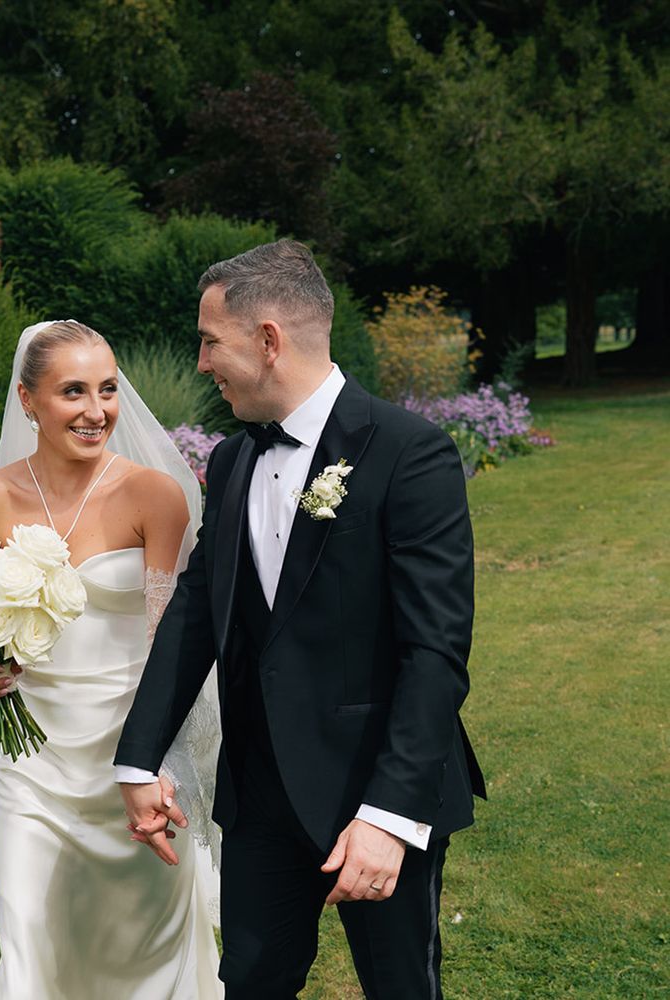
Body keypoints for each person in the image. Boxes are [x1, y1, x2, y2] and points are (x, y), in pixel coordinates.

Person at [116, 241, 486, 999]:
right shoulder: (231, 460)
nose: (200, 363)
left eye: (209, 340)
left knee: (399, 986)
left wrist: (388, 817)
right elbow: (196, 614)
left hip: (375, 788)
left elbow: (434, 653)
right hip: (261, 791)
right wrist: (139, 757)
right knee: (250, 979)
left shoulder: (409, 454)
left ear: (269, 340)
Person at [0, 320, 222, 1000]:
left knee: (142, 941)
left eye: (107, 389)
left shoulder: (152, 494)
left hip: (132, 742)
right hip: (34, 760)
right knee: (31, 934)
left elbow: (175, 639)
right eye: (72, 391)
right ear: (28, 400)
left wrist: (160, 761)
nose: (97, 410)